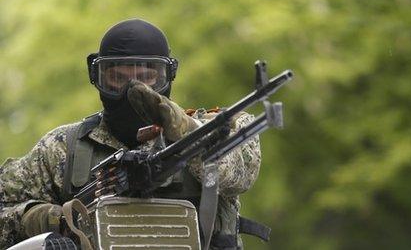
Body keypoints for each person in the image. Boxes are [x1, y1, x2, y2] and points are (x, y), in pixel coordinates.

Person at [0, 19, 261, 249]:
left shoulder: (219, 128)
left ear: (168, 76)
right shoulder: (61, 148)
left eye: (146, 78)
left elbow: (238, 173)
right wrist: (40, 218)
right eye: (117, 78)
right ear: (96, 76)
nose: (133, 91)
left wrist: (185, 131)